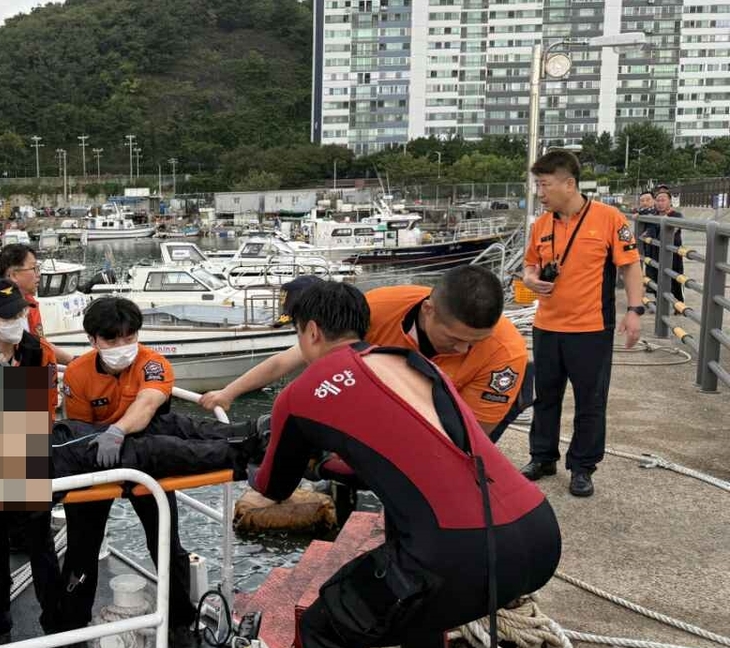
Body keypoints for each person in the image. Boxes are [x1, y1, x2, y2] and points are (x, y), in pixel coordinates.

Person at [251, 280, 561, 648]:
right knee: (424, 609)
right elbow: (419, 448)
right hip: (537, 534)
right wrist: (332, 465)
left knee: (323, 633)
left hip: (452, 553)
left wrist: (260, 461)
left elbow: (273, 487)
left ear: (310, 332)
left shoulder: (299, 393)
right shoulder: (416, 365)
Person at [53, 297, 262, 648]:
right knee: (81, 554)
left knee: (165, 544)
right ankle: (72, 633)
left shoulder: (152, 363)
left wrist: (119, 431)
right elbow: (83, 432)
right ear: (93, 340)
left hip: (146, 459)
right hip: (100, 462)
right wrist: (110, 442)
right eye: (111, 339)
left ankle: (180, 622)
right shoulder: (78, 374)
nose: (122, 346)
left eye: (129, 336)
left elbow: (149, 404)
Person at [201, 266, 530, 438]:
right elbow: (290, 358)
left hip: (464, 409)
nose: (464, 349)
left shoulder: (504, 354)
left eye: (475, 342)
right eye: (455, 338)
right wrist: (228, 393)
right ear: (428, 310)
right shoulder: (378, 309)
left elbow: (468, 437)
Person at [520, 150, 643, 497]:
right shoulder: (541, 225)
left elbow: (630, 265)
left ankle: (582, 467)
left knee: (590, 401)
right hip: (547, 326)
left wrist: (635, 310)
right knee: (545, 396)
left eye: (545, 185)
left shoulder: (608, 218)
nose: (540, 193)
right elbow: (530, 265)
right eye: (538, 185)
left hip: (591, 329)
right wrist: (529, 279)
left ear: (569, 184)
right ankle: (542, 457)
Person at [0, 278, 64, 648]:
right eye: (8, 316)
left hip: (26, 452)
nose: (17, 321)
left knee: (41, 547)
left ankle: (55, 630)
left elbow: (46, 411)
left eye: (21, 312)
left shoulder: (39, 352)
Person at [0, 241, 74, 364]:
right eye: (34, 268)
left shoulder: (30, 303)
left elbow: (40, 345)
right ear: (14, 275)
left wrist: (74, 362)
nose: (39, 274)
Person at [653, 186, 684, 304]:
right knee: (657, 276)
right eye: (658, 200)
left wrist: (665, 221)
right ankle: (660, 301)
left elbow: (673, 230)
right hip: (657, 252)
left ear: (670, 201)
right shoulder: (653, 216)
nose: (660, 203)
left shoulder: (676, 215)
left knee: (675, 277)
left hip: (673, 253)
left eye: (663, 200)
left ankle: (679, 303)